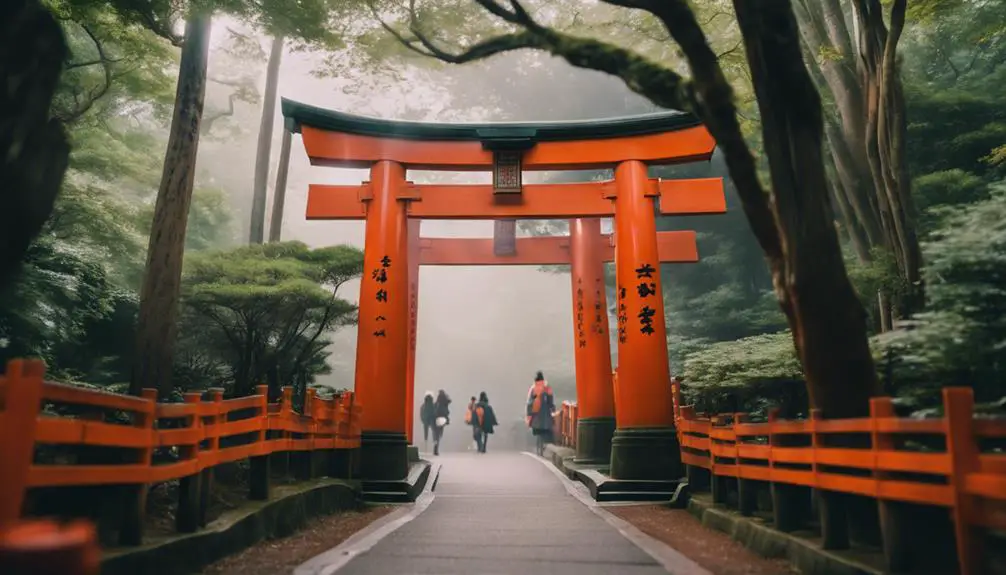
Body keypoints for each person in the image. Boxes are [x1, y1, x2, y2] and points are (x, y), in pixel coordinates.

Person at [527, 371, 555, 456]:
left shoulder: (533, 388)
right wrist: (552, 408)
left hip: (535, 412)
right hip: (545, 411)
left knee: (537, 429)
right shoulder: (547, 387)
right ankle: (543, 445)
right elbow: (550, 399)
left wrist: (529, 413)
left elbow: (529, 401)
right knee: (545, 429)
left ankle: (538, 446)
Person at [432, 389, 451, 456]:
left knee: (436, 433)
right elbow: (449, 402)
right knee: (440, 433)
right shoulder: (445, 403)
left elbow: (434, 410)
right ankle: (436, 445)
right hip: (443, 419)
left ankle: (435, 445)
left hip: (437, 419)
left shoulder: (437, 403)